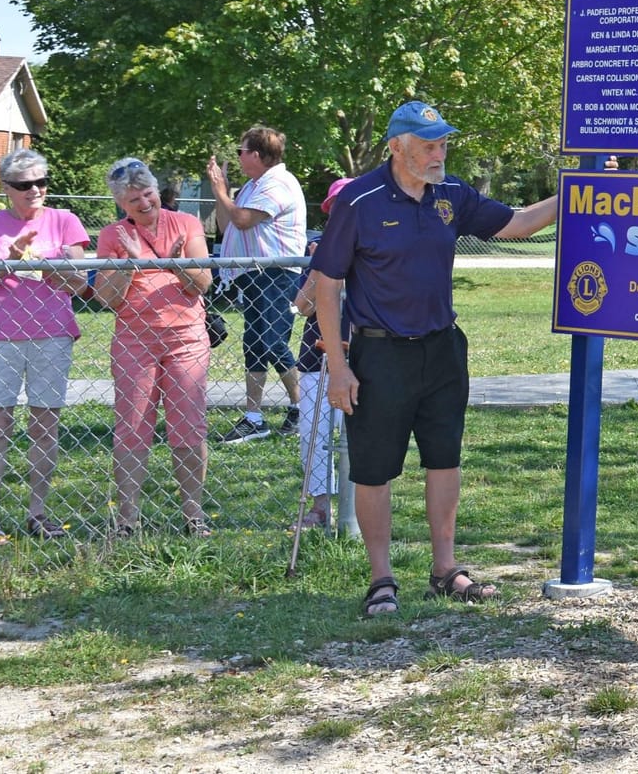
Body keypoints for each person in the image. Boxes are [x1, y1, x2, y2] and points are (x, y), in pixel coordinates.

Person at [312, 102, 557, 616]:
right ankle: (381, 579)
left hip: (442, 348)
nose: (438, 152)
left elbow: (518, 224)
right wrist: (338, 365)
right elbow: (327, 287)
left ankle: (445, 571)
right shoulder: (359, 200)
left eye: (443, 142)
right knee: (375, 469)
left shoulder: (451, 194)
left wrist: (577, 192)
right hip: (378, 353)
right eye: (427, 144)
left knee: (444, 458)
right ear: (396, 147)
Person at [0, 149, 91, 544]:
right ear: (7, 188)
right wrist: (7, 260)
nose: (35, 190)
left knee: (45, 425)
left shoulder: (65, 221)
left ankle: (37, 512)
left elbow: (80, 283)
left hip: (52, 332)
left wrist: (43, 265)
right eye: (25, 185)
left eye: (41, 182)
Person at [95, 157, 215, 536]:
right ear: (122, 205)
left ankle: (194, 517)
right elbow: (106, 298)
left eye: (147, 194)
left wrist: (170, 261)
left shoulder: (187, 224)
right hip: (134, 341)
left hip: (186, 339)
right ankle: (127, 519)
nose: (144, 204)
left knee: (188, 428)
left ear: (156, 191)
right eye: (133, 201)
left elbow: (202, 283)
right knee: (132, 428)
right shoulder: (112, 235)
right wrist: (130, 263)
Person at [205, 126, 307, 444]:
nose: (238, 156)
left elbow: (244, 220)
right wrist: (220, 193)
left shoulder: (278, 183)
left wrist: (221, 190)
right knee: (255, 345)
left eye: (241, 151)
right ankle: (254, 418)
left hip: (275, 274)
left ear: (257, 155)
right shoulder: (254, 185)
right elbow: (227, 224)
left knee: (271, 341)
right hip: (254, 276)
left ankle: (302, 407)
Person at [288, 178, 351, 532]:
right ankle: (321, 506)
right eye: (336, 208)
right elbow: (302, 305)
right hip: (318, 353)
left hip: (367, 352)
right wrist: (322, 267)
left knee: (362, 435)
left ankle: (358, 511)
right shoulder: (317, 248)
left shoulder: (379, 244)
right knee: (314, 433)